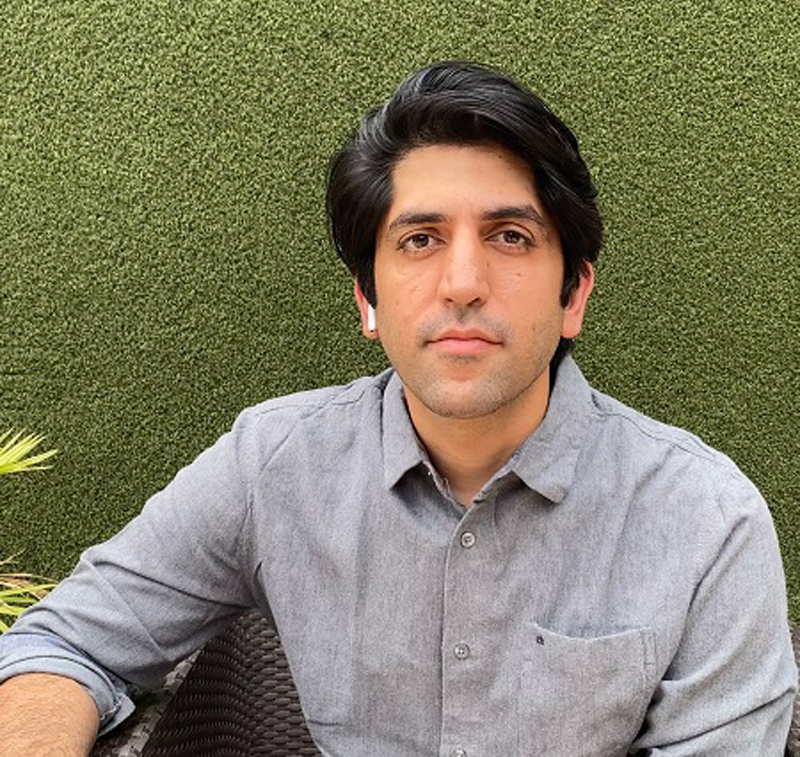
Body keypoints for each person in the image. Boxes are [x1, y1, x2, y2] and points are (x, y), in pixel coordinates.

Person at [0, 60, 795, 757]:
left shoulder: (707, 522)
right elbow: (61, 643)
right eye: (419, 240)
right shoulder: (272, 466)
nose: (463, 283)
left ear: (574, 294)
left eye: (510, 237)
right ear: (367, 299)